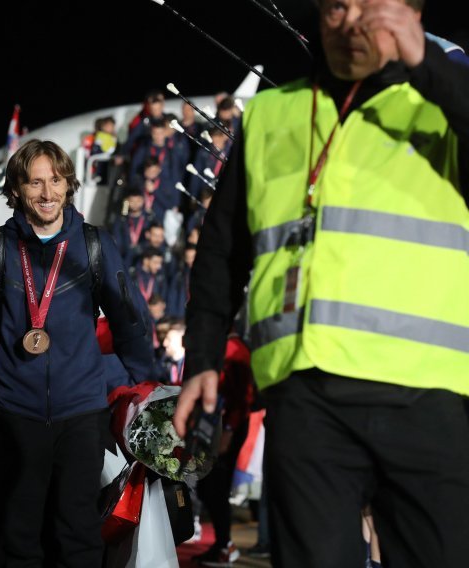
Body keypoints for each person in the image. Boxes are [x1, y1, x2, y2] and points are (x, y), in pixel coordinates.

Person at [174, 1, 469, 567]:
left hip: (427, 394)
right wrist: (203, 358)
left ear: (411, 12)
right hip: (309, 397)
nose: (351, 22)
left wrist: (425, 62)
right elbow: (222, 250)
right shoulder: (270, 114)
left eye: (372, 6)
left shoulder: (446, 99)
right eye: (337, 6)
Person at [0, 139, 153, 567]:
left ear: (69, 184)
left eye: (56, 181)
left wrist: (143, 393)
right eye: (35, 182)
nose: (47, 193)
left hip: (81, 414)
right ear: (16, 189)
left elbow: (130, 325)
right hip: (14, 414)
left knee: (78, 534)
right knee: (18, 536)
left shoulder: (94, 245)